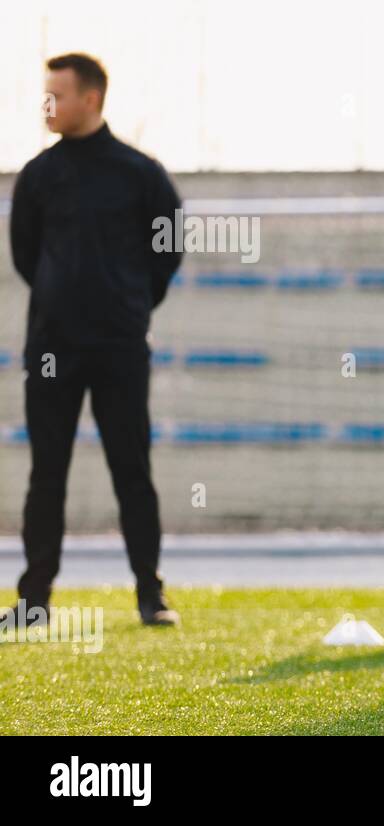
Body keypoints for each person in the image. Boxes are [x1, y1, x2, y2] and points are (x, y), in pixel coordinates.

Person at [4, 52, 184, 628]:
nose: (47, 106)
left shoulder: (140, 173)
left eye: (58, 95)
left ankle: (149, 596)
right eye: (44, 95)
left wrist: (128, 308)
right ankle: (34, 601)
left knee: (132, 470)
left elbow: (168, 249)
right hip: (53, 349)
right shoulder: (37, 175)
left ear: (92, 98)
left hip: (120, 349)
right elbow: (26, 255)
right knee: (46, 473)